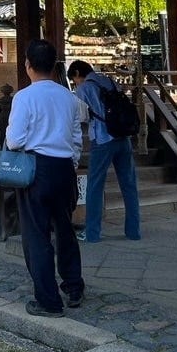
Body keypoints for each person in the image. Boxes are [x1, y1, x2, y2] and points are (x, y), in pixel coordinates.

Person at [5, 38, 85, 317]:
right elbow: (76, 139)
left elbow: (14, 141)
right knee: (65, 230)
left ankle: (48, 300)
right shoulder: (69, 98)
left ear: (27, 65)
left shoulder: (24, 97)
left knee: (37, 235)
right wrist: (71, 163)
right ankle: (73, 286)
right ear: (54, 66)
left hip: (37, 168)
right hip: (64, 167)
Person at [68, 59, 141, 243]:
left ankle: (93, 233)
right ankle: (133, 231)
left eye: (74, 79)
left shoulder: (84, 88)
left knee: (95, 186)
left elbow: (81, 116)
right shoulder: (109, 81)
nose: (75, 83)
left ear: (77, 73)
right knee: (129, 184)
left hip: (102, 139)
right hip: (122, 137)